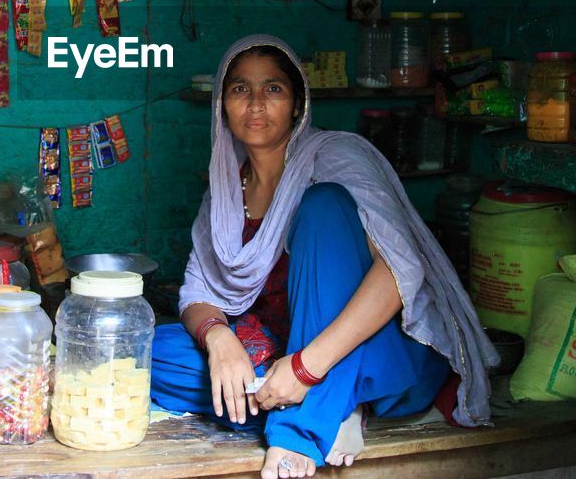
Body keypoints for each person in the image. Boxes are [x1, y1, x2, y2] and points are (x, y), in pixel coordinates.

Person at [151, 35, 496, 479]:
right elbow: (198, 292)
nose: (255, 103)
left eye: (272, 88)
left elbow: (398, 273)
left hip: (373, 350)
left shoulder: (335, 156)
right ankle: (333, 406)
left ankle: (301, 428)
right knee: (151, 353)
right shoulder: (225, 187)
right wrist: (221, 341)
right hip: (284, 346)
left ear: (298, 104)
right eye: (239, 89)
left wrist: (302, 369)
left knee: (325, 206)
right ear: (222, 106)